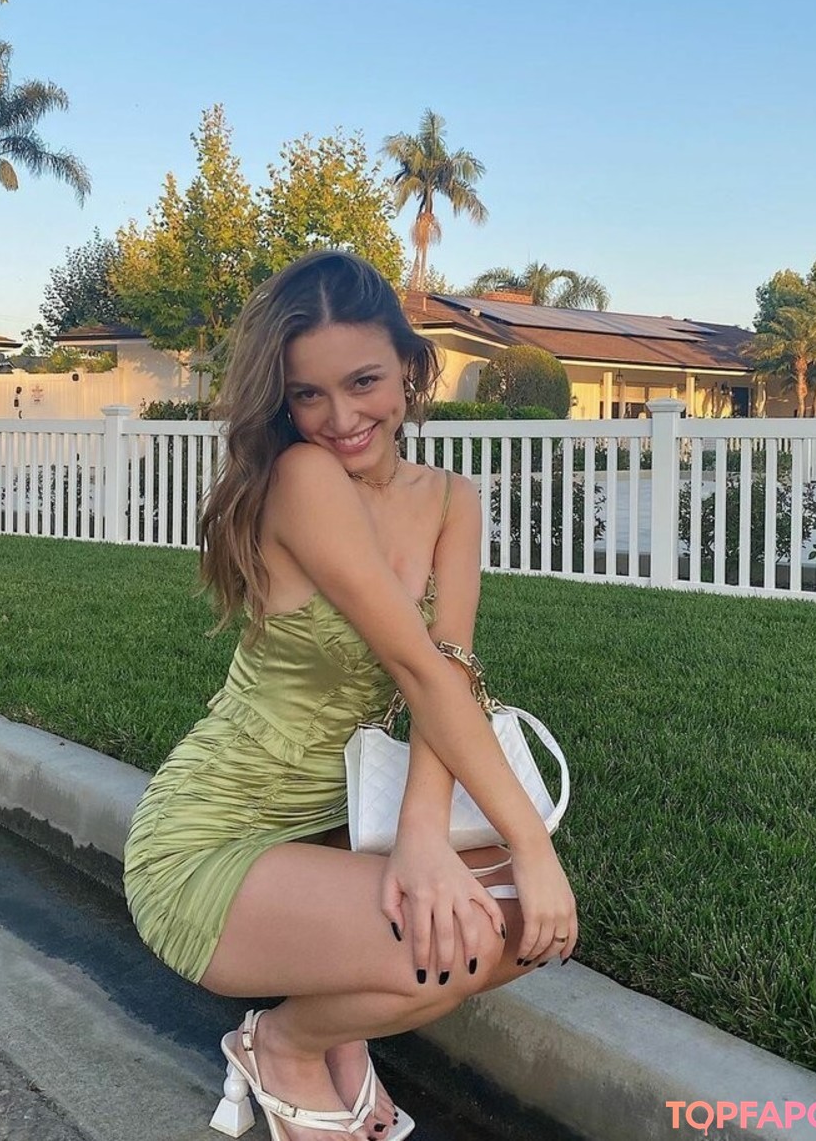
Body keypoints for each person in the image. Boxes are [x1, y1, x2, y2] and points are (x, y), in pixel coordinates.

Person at [123, 251, 577, 1141]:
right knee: (470, 940)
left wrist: (423, 836)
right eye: (308, 395)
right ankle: (284, 1046)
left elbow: (449, 671)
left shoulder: (452, 501)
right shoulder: (305, 479)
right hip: (215, 836)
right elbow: (415, 668)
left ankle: (336, 1036)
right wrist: (528, 838)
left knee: (522, 921)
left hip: (334, 821)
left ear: (409, 367)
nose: (339, 419)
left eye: (363, 382)